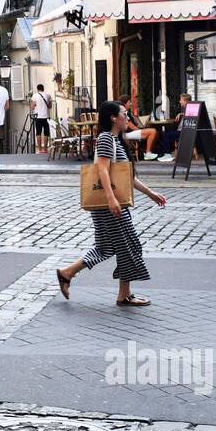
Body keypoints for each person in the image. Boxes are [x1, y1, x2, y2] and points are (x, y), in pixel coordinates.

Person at [56, 100, 167, 306]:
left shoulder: (115, 140)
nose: (128, 117)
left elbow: (126, 178)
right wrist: (111, 198)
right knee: (129, 245)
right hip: (110, 204)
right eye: (125, 114)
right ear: (113, 118)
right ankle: (124, 294)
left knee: (105, 247)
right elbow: (102, 170)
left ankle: (67, 273)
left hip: (111, 203)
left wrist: (151, 194)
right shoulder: (107, 139)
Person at [118, 93, 160, 160]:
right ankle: (147, 153)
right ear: (124, 104)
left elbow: (135, 123)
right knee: (153, 131)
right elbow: (131, 126)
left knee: (155, 132)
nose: (131, 104)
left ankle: (149, 151)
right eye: (129, 102)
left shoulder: (127, 112)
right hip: (127, 133)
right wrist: (141, 130)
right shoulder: (123, 112)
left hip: (131, 132)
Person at [157, 93, 192, 161]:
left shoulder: (189, 109)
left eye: (181, 100)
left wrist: (181, 114)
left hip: (184, 132)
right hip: (182, 131)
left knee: (166, 135)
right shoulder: (188, 109)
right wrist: (180, 114)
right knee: (164, 133)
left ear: (186, 101)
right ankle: (166, 152)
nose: (180, 101)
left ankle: (167, 154)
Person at [31, 83, 53, 154]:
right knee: (46, 133)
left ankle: (40, 149)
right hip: (46, 117)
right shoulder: (48, 95)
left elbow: (32, 106)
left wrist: (35, 105)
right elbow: (50, 106)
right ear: (43, 89)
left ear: (37, 89)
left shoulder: (35, 95)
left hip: (38, 117)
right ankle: (45, 149)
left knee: (38, 133)